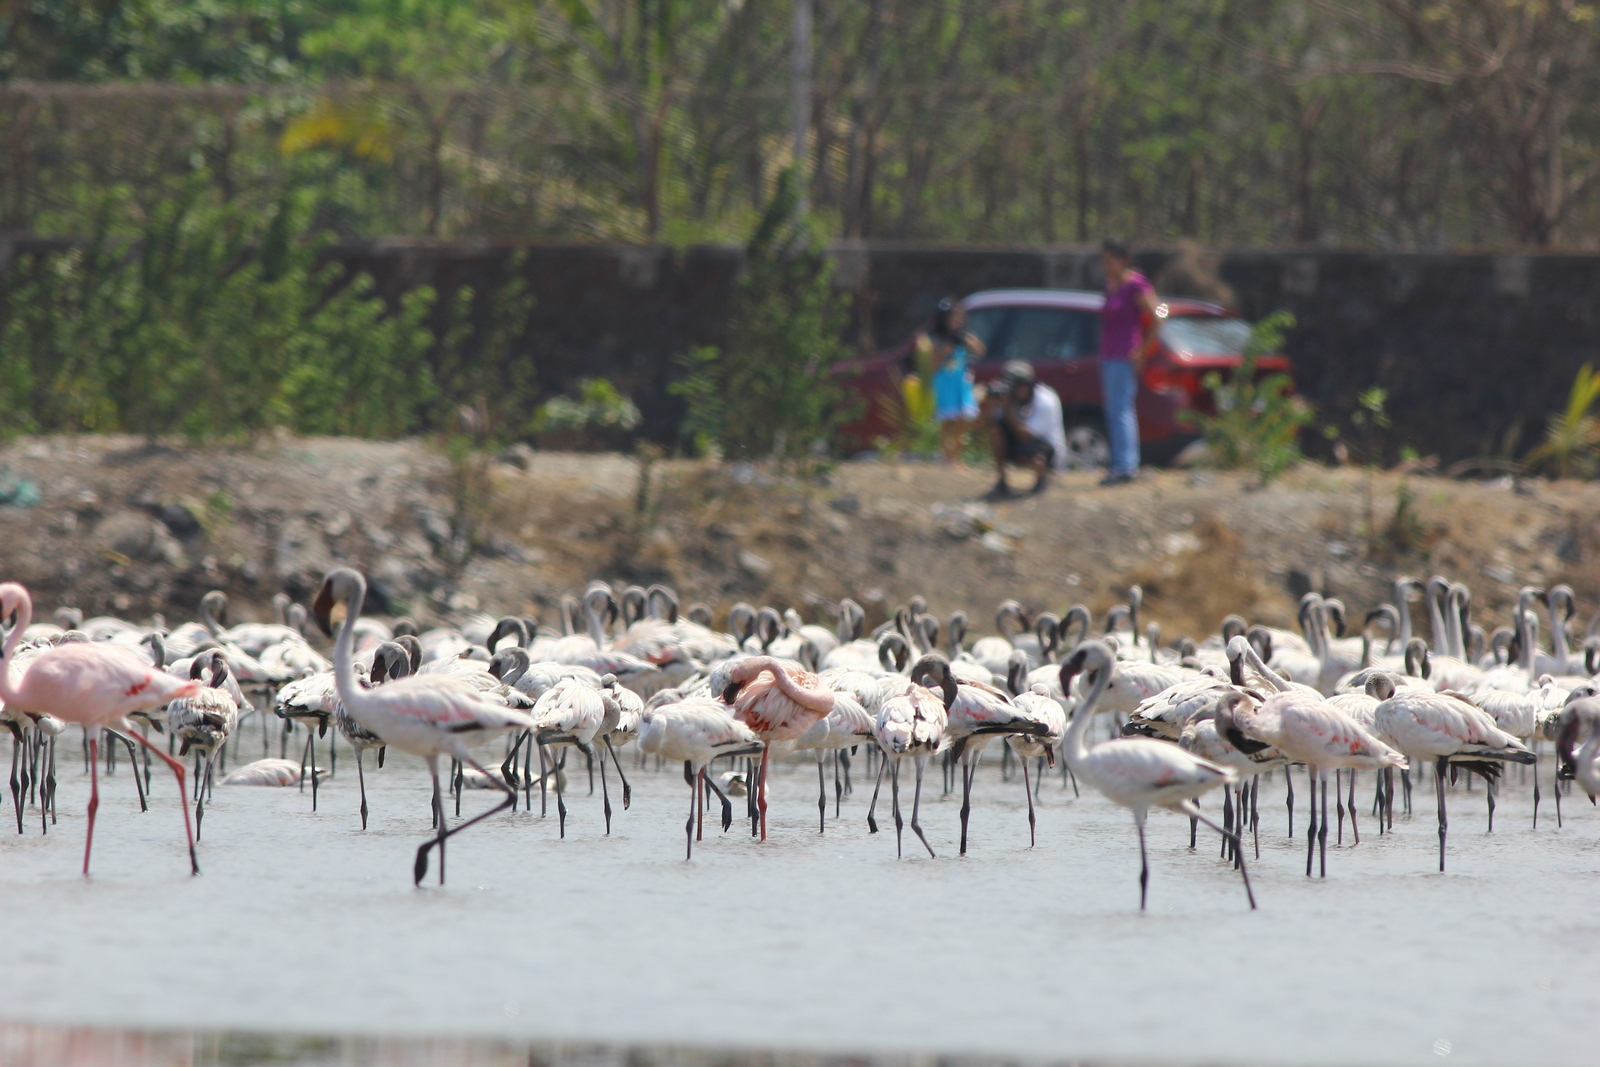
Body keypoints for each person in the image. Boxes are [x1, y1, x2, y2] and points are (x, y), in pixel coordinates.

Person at [1098, 238, 1161, 486]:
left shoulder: (1137, 285)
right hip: (1109, 354)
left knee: (1122, 409)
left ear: (1123, 260)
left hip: (1126, 355)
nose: (1105, 264)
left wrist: (1143, 350)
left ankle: (1126, 466)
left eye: (1110, 259)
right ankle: (1117, 463)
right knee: (1113, 409)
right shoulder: (1110, 284)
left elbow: (1160, 313)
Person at [917, 298, 985, 464]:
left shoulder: (960, 338)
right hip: (945, 384)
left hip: (960, 384)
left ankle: (957, 457)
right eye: (953, 318)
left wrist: (971, 342)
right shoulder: (935, 340)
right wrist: (942, 353)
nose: (957, 321)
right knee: (947, 422)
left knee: (962, 422)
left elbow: (980, 351)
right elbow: (932, 367)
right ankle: (947, 457)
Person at [985, 360, 1066, 498]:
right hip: (1020, 443)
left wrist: (1007, 408)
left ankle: (1042, 479)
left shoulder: (1046, 401)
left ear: (1026, 386)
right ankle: (1001, 480)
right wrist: (987, 405)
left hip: (1045, 448)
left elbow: (1026, 436)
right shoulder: (1007, 397)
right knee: (995, 430)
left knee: (1037, 457)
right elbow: (985, 426)